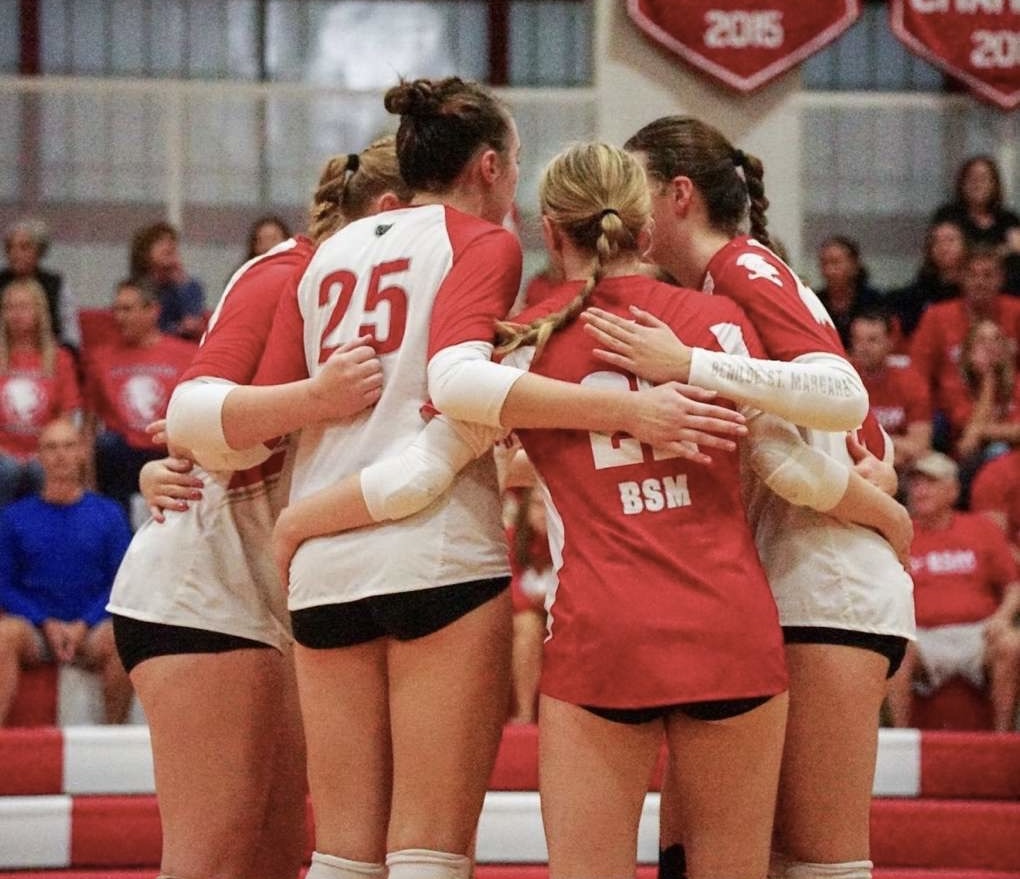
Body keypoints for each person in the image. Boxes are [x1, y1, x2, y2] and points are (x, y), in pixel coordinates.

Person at [170, 80, 756, 879]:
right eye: (512, 163)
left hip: (324, 569)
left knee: (340, 854)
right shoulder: (487, 247)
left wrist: (298, 490)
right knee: (428, 850)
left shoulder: (323, 254)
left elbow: (227, 431)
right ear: (488, 166)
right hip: (438, 553)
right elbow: (456, 393)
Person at [492, 141, 916, 879]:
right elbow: (779, 456)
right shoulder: (724, 319)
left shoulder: (529, 342)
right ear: (642, 227)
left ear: (550, 231)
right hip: (732, 623)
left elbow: (474, 435)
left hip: (607, 628)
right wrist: (887, 511)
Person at [105, 138, 407, 879]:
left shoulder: (376, 300)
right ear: (393, 212)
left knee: (277, 859)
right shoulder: (287, 273)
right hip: (201, 593)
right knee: (213, 863)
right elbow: (194, 409)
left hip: (267, 604)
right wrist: (316, 398)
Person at [0, 418, 132, 726]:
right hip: (35, 631)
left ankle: (113, 741)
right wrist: (45, 623)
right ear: (39, 457)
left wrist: (83, 625)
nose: (61, 455)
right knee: (4, 634)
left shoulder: (109, 514)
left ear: (82, 453)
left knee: (122, 638)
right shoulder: (13, 517)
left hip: (90, 630)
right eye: (51, 447)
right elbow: (4, 585)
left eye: (69, 446)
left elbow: (122, 581)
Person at [888, 452, 1020, 732]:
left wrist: (1003, 618)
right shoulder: (899, 532)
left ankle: (1003, 741)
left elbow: (1013, 585)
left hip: (978, 633)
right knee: (895, 649)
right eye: (916, 483)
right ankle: (901, 742)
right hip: (920, 635)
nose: (920, 490)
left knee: (1011, 644)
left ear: (953, 490)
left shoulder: (981, 529)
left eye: (930, 483)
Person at [82, 278, 197, 519]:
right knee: (107, 445)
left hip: (169, 448)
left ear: (153, 310)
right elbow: (89, 425)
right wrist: (88, 480)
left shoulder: (186, 354)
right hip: (123, 453)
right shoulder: (101, 358)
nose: (119, 317)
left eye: (127, 309)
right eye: (116, 309)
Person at [0, 277, 82, 506]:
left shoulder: (60, 358)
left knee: (43, 468)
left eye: (23, 307)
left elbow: (67, 415)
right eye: (9, 308)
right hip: (3, 454)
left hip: (45, 451)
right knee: (7, 470)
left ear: (39, 312)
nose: (16, 314)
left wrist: (47, 450)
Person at [910, 244, 1020, 414]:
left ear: (1001, 278)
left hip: (1010, 408)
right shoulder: (937, 316)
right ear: (961, 278)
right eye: (972, 275)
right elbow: (918, 374)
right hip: (949, 412)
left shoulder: (1016, 312)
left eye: (988, 275)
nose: (980, 282)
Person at [940, 318, 1020, 503]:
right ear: (968, 352)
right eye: (982, 341)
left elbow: (976, 432)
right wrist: (988, 379)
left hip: (1013, 459)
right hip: (967, 462)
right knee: (994, 451)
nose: (990, 347)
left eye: (996, 340)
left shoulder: (1017, 384)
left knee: (999, 450)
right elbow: (969, 444)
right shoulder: (954, 386)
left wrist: (983, 431)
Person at [848, 310, 931, 475]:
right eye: (858, 340)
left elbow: (920, 446)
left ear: (889, 342)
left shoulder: (910, 381)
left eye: (872, 340)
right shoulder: (842, 378)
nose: (864, 348)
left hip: (901, 466)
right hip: (852, 465)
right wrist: (895, 442)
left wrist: (881, 453)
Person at [0, 218, 80, 350]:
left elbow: (71, 335)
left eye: (24, 247)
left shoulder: (56, 284)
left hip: (49, 358)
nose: (15, 253)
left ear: (40, 251)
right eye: (10, 247)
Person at [885, 219, 966, 341]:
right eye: (937, 242)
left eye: (950, 240)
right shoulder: (918, 292)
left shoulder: (974, 289)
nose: (944, 247)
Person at [128, 221, 207, 340]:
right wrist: (178, 329)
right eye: (160, 241)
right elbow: (143, 329)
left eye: (171, 241)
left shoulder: (190, 286)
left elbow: (193, 324)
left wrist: (181, 284)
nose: (169, 244)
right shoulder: (135, 289)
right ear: (144, 253)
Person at [814, 235, 885, 349]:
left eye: (835, 263)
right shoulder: (813, 302)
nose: (829, 270)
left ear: (854, 265)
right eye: (824, 263)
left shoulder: (875, 302)